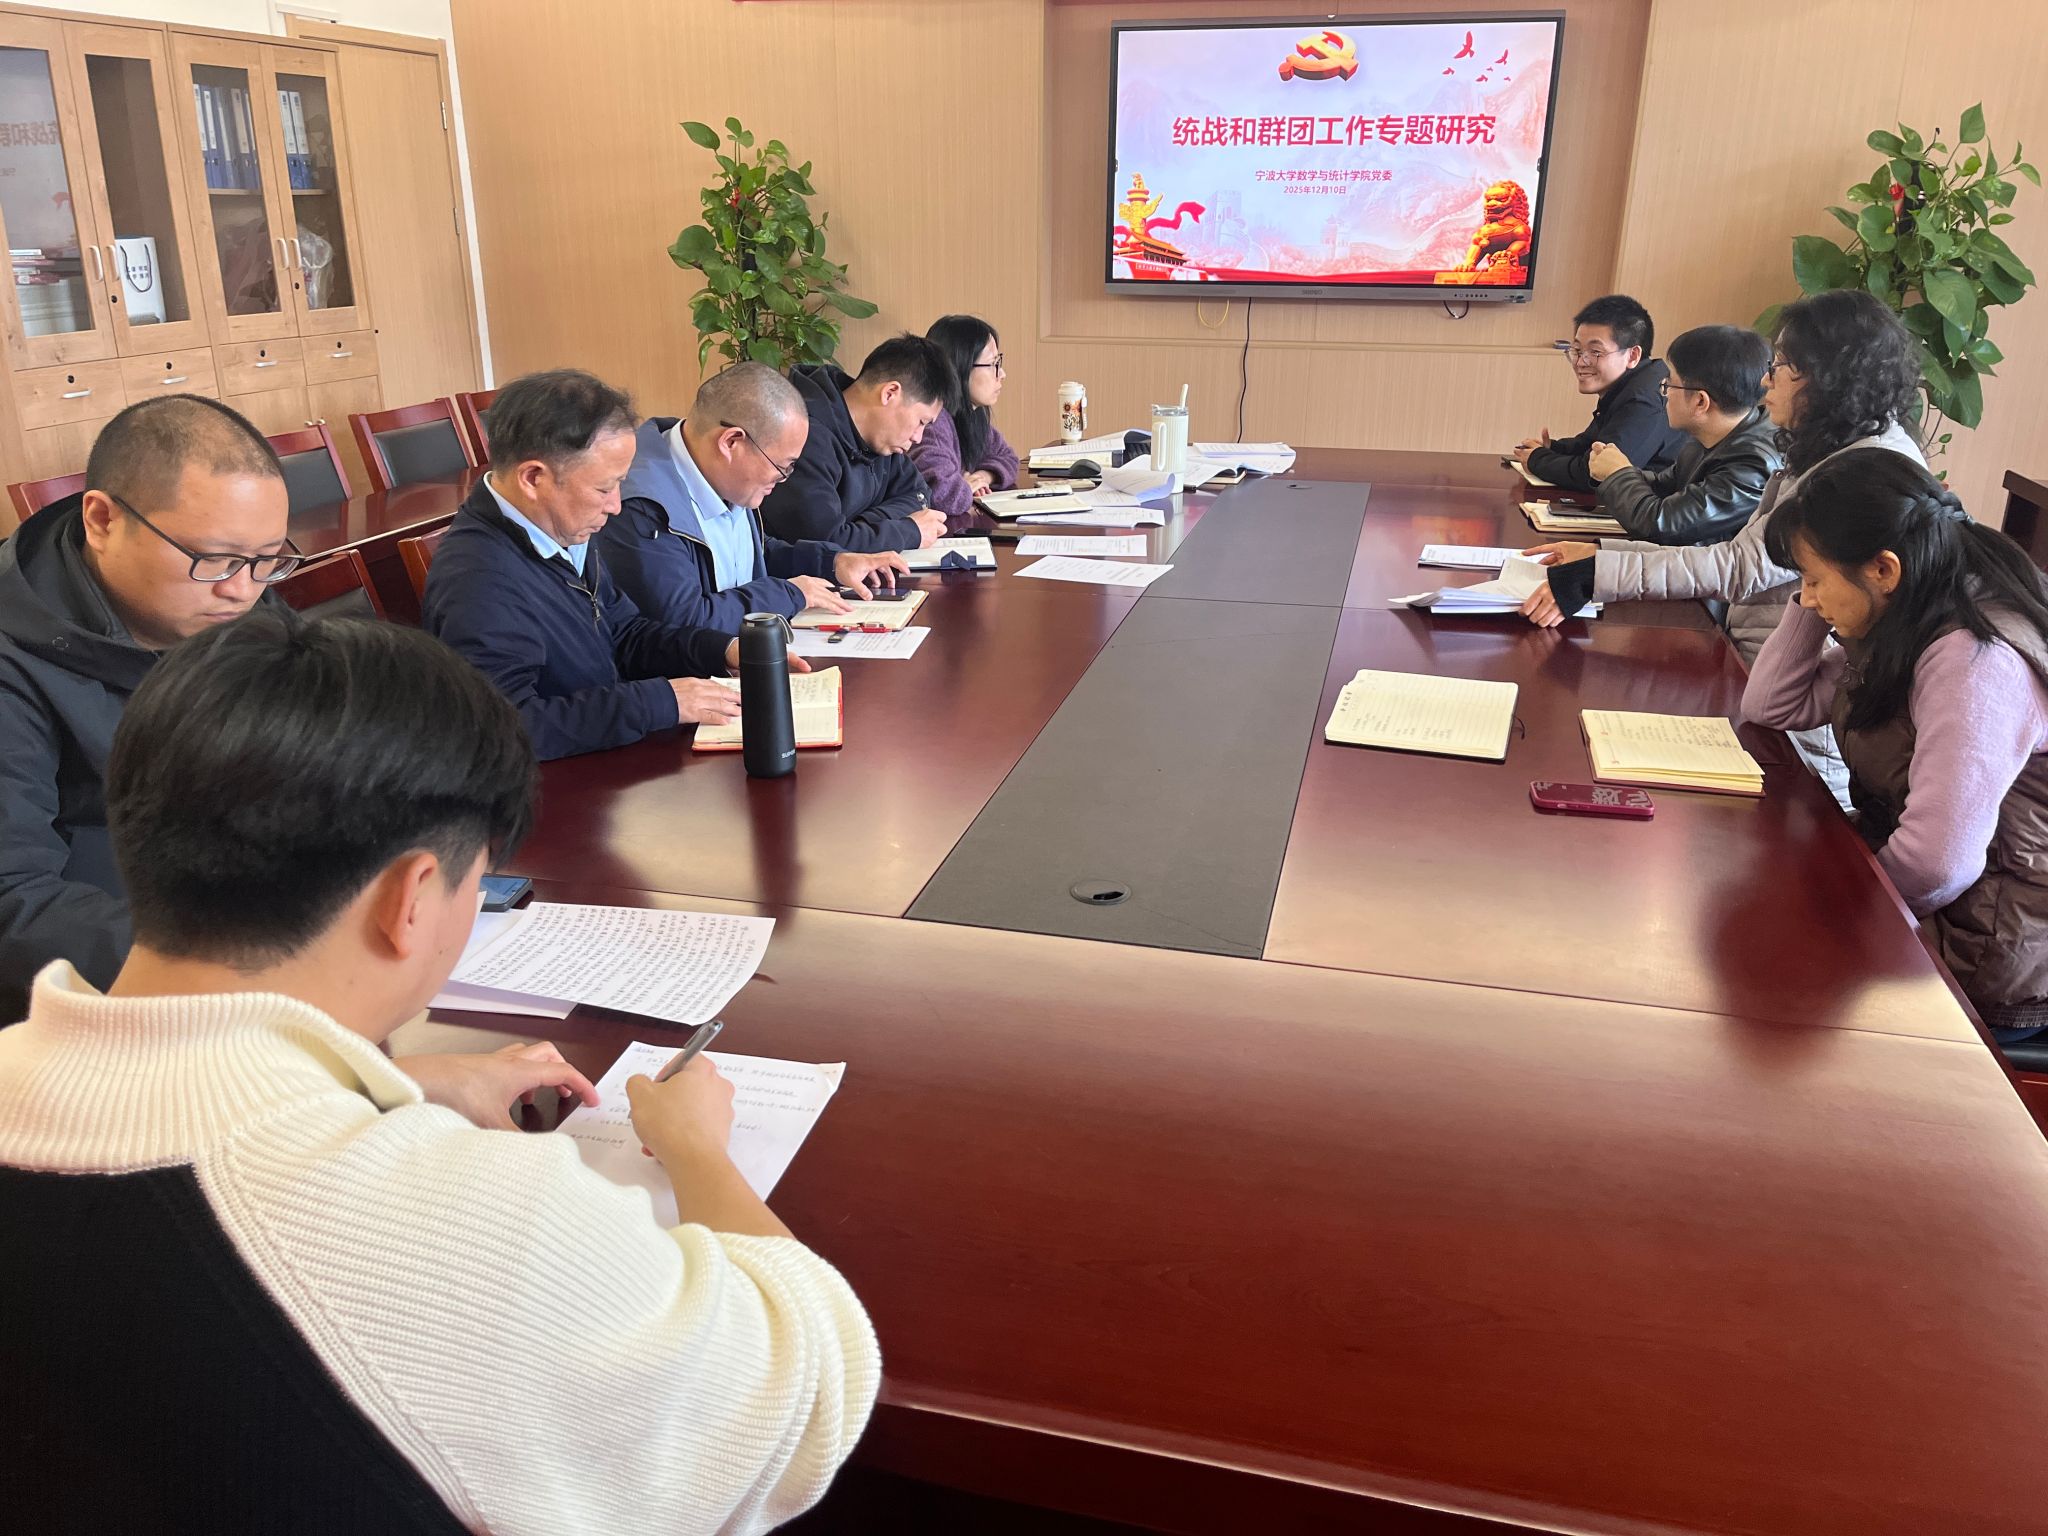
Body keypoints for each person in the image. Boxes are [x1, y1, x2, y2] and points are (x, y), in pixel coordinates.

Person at [0, 611, 879, 1533]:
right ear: (413, 897)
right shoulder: (470, 1229)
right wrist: (698, 1151)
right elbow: (810, 1394)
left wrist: (404, 1081)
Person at [0, 394, 293, 1023]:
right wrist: (236, 965)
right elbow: (13, 900)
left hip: (254, 930)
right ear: (102, 520)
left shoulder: (230, 601)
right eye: (213, 558)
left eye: (267, 559)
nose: (242, 589)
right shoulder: (13, 660)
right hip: (95, 1005)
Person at [1743, 450, 2048, 1043]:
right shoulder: (1908, 616)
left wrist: (1838, 916)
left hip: (1984, 956)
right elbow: (1773, 706)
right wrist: (1814, 604)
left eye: (1813, 579)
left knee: (1778, 987)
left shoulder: (1974, 658)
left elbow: (1939, 862)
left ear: (1884, 569)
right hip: (1932, 912)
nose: (1807, 597)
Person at [424, 369, 807, 762]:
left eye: (620, 483)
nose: (616, 506)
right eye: (604, 488)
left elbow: (624, 634)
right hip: (559, 785)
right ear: (533, 478)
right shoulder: (479, 580)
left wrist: (720, 650)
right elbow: (506, 729)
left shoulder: (559, 529)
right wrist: (661, 701)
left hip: (606, 753)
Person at [598, 362, 907, 631]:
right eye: (781, 466)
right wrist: (789, 594)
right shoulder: (641, 506)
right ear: (731, 442)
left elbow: (751, 556)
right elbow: (685, 621)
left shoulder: (717, 471)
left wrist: (833, 561)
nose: (783, 479)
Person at [1581, 323, 1781, 545]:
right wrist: (1615, 469)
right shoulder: (1707, 438)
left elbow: (1662, 524)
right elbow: (1663, 488)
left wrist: (1617, 474)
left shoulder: (1752, 465)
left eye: (1669, 385)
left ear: (1700, 401)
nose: (1664, 393)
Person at [760, 335, 955, 552]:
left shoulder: (881, 440)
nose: (918, 437)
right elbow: (826, 546)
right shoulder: (803, 436)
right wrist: (907, 531)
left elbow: (919, 495)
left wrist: (863, 526)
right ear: (890, 393)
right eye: (921, 422)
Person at [1511, 294, 1688, 492]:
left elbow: (1597, 474)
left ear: (1632, 355)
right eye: (1577, 350)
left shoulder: (1645, 400)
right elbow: (1592, 445)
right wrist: (1554, 448)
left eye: (1595, 352)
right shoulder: (1630, 385)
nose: (1580, 362)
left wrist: (1538, 460)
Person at [910, 314, 1021, 517]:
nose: (1002, 374)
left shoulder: (971, 414)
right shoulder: (933, 423)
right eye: (993, 364)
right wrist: (964, 487)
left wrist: (983, 476)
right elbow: (943, 496)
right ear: (959, 367)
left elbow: (1008, 457)